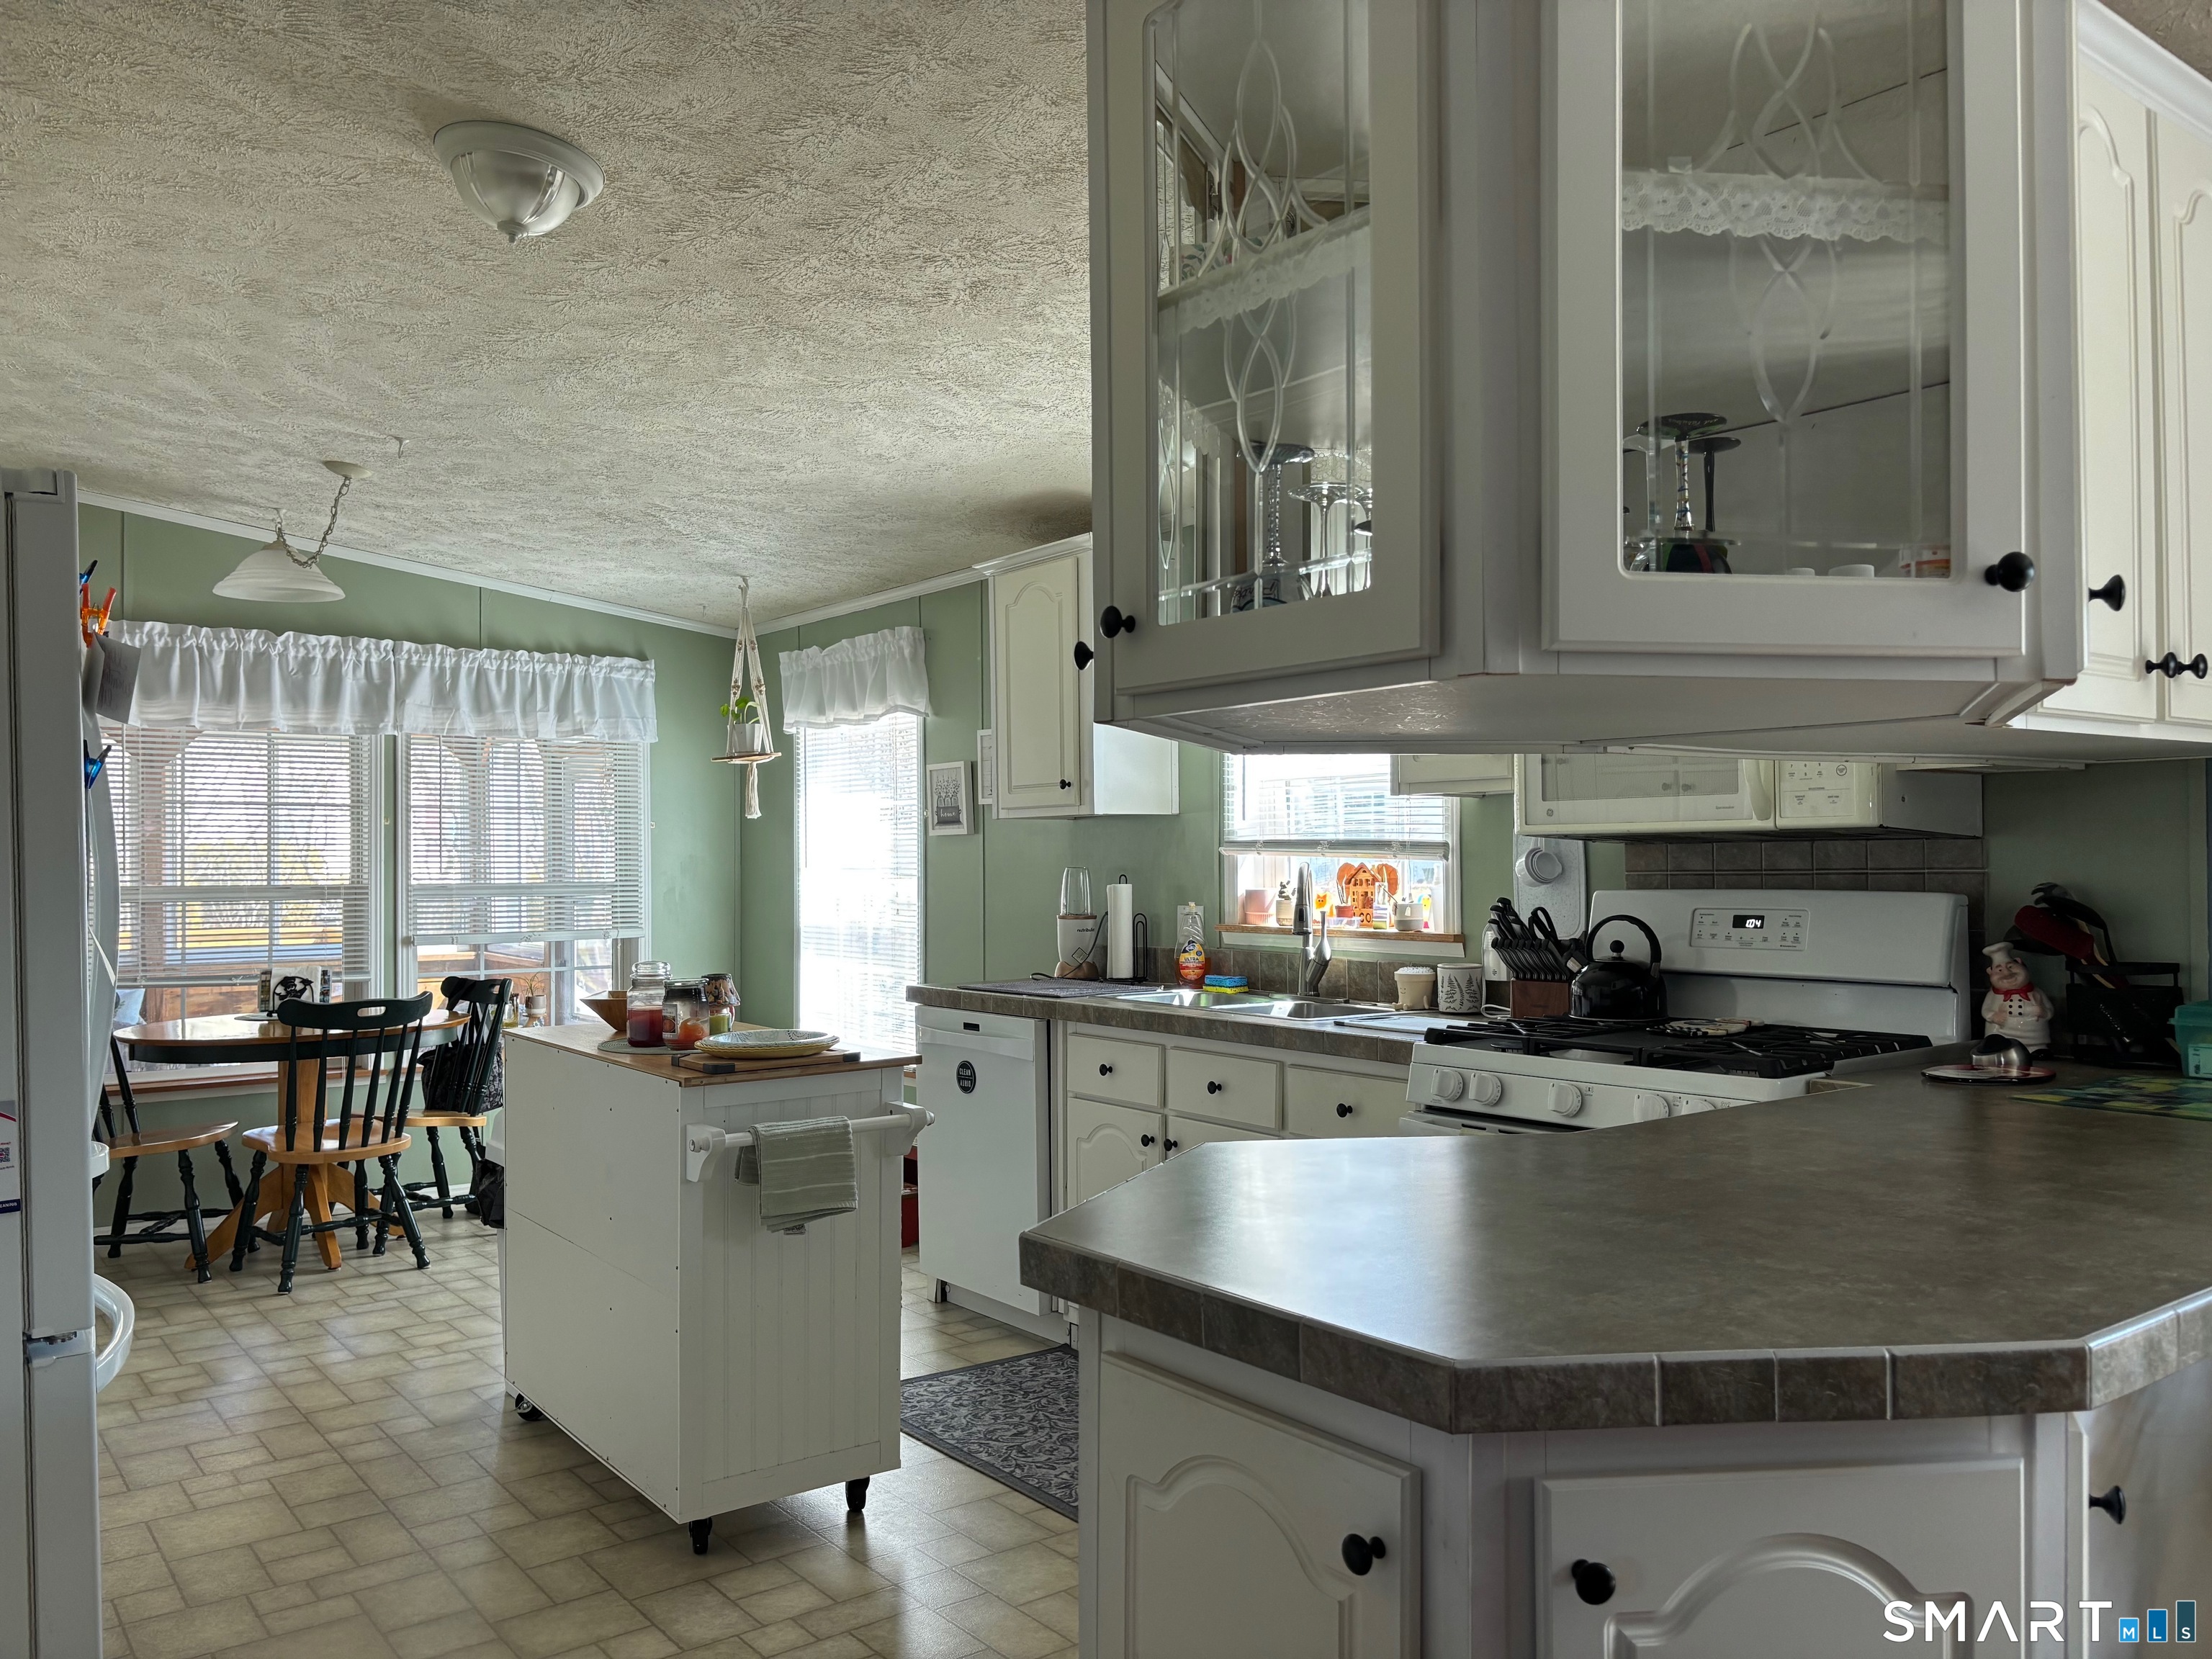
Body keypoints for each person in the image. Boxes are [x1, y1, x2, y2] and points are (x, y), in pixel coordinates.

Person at [1981, 942, 2054, 1053]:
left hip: (2033, 1036)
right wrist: (1993, 1016)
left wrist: (2044, 1012)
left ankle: (2035, 1049)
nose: (2007, 973)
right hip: (2002, 1033)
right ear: (1990, 972)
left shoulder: (2037, 992)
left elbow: (2050, 1010)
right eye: (1999, 970)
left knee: (2037, 1050)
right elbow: (1985, 1010)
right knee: (1998, 1043)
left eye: (2011, 967)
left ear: (2019, 963)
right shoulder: (1992, 995)